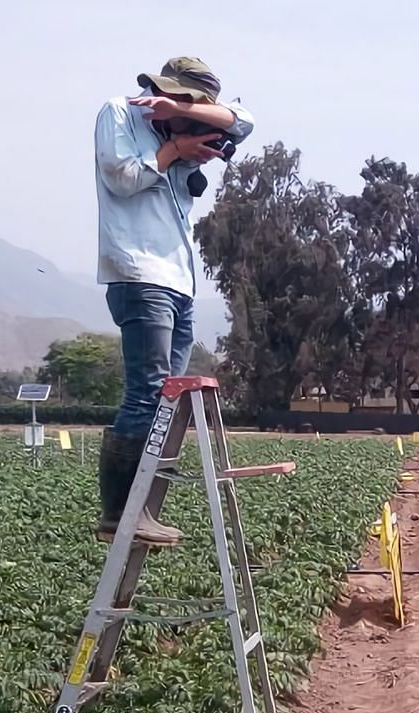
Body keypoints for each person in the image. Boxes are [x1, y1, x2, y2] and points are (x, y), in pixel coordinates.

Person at [93, 57, 254, 544]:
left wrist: (189, 141)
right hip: (138, 272)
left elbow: (244, 123)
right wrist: (171, 151)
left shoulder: (182, 136)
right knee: (147, 393)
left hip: (179, 279)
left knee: (168, 400)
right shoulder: (120, 113)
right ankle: (119, 514)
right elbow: (120, 177)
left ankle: (142, 507)